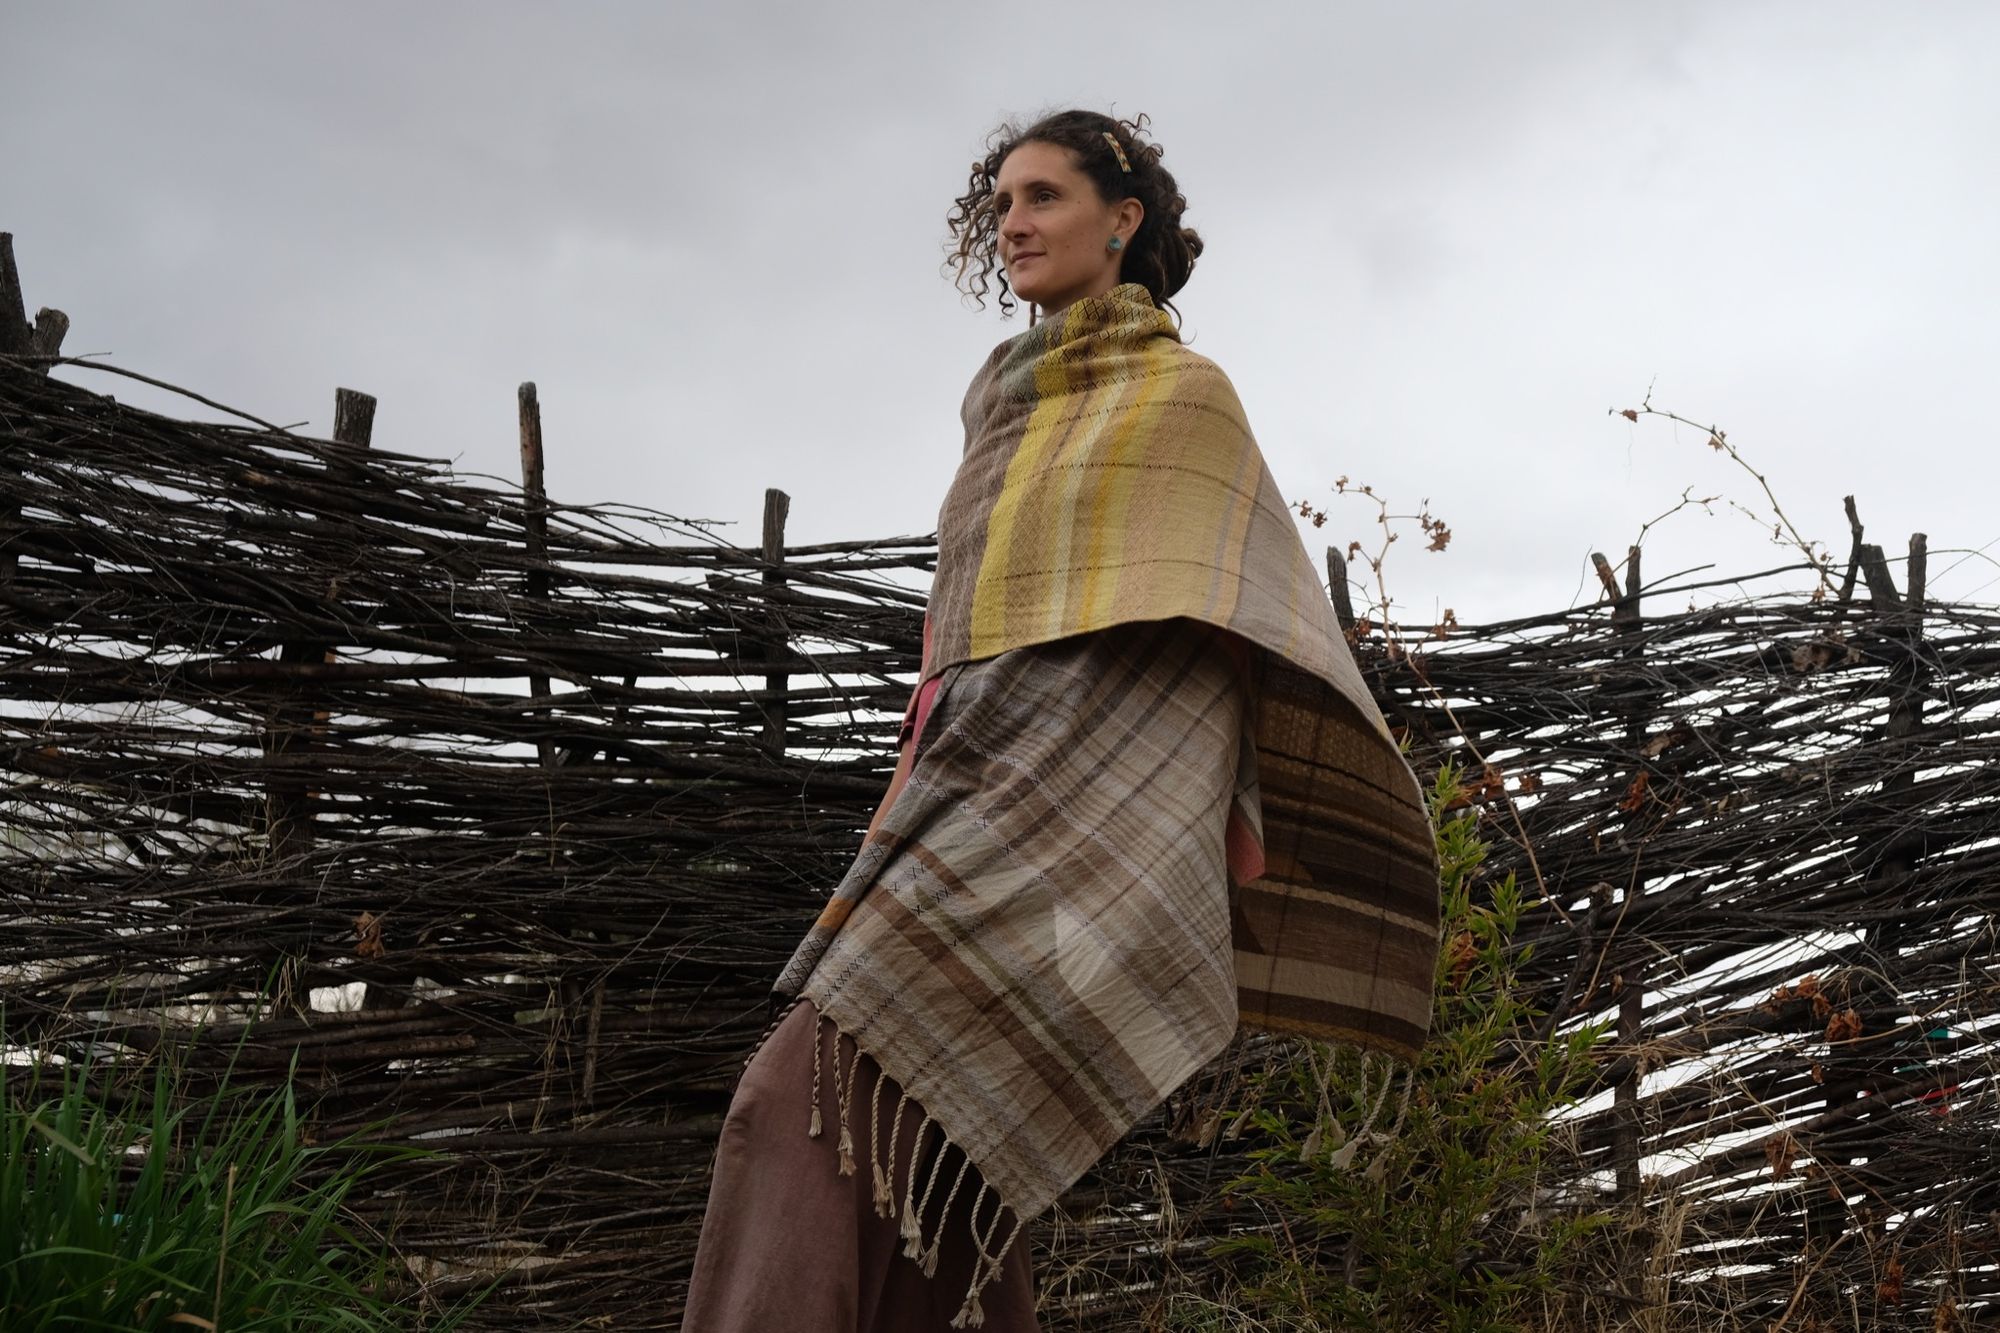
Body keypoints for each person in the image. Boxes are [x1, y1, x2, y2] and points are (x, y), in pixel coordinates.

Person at [682, 109, 1438, 1333]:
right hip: (956, 805)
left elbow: (1240, 623)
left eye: (1041, 198)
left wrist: (1194, 815)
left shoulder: (1184, 400)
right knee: (953, 1164)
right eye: (1001, 208)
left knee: (795, 1104)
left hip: (1079, 833)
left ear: (1120, 219)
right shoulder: (997, 407)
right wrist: (895, 813)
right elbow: (952, 659)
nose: (1014, 226)